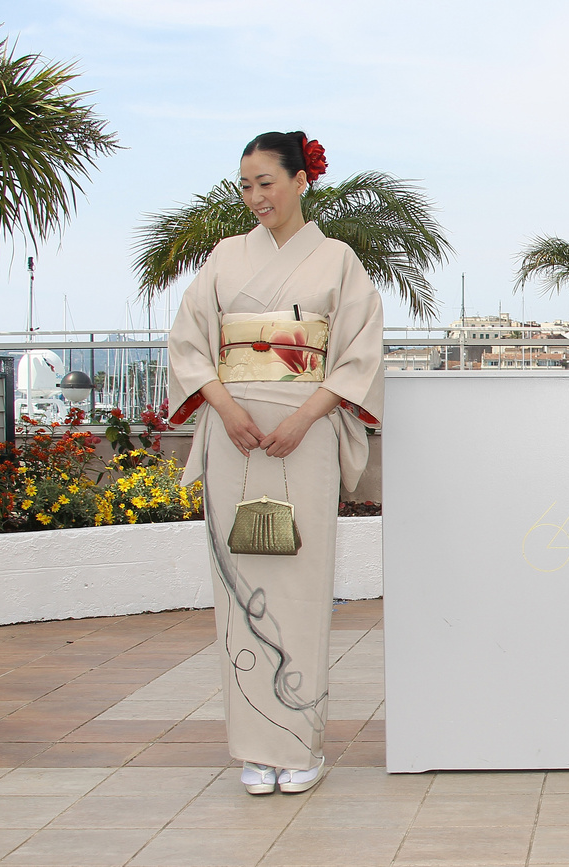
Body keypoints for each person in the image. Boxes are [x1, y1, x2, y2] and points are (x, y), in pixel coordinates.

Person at [167, 131, 383, 795]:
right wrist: (226, 407)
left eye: (266, 181)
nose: (256, 196)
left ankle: (298, 741)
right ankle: (254, 748)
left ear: (300, 180)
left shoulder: (337, 260)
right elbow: (189, 342)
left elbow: (356, 353)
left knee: (301, 581)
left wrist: (303, 415)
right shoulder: (225, 259)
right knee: (241, 581)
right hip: (234, 434)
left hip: (305, 432)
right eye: (246, 186)